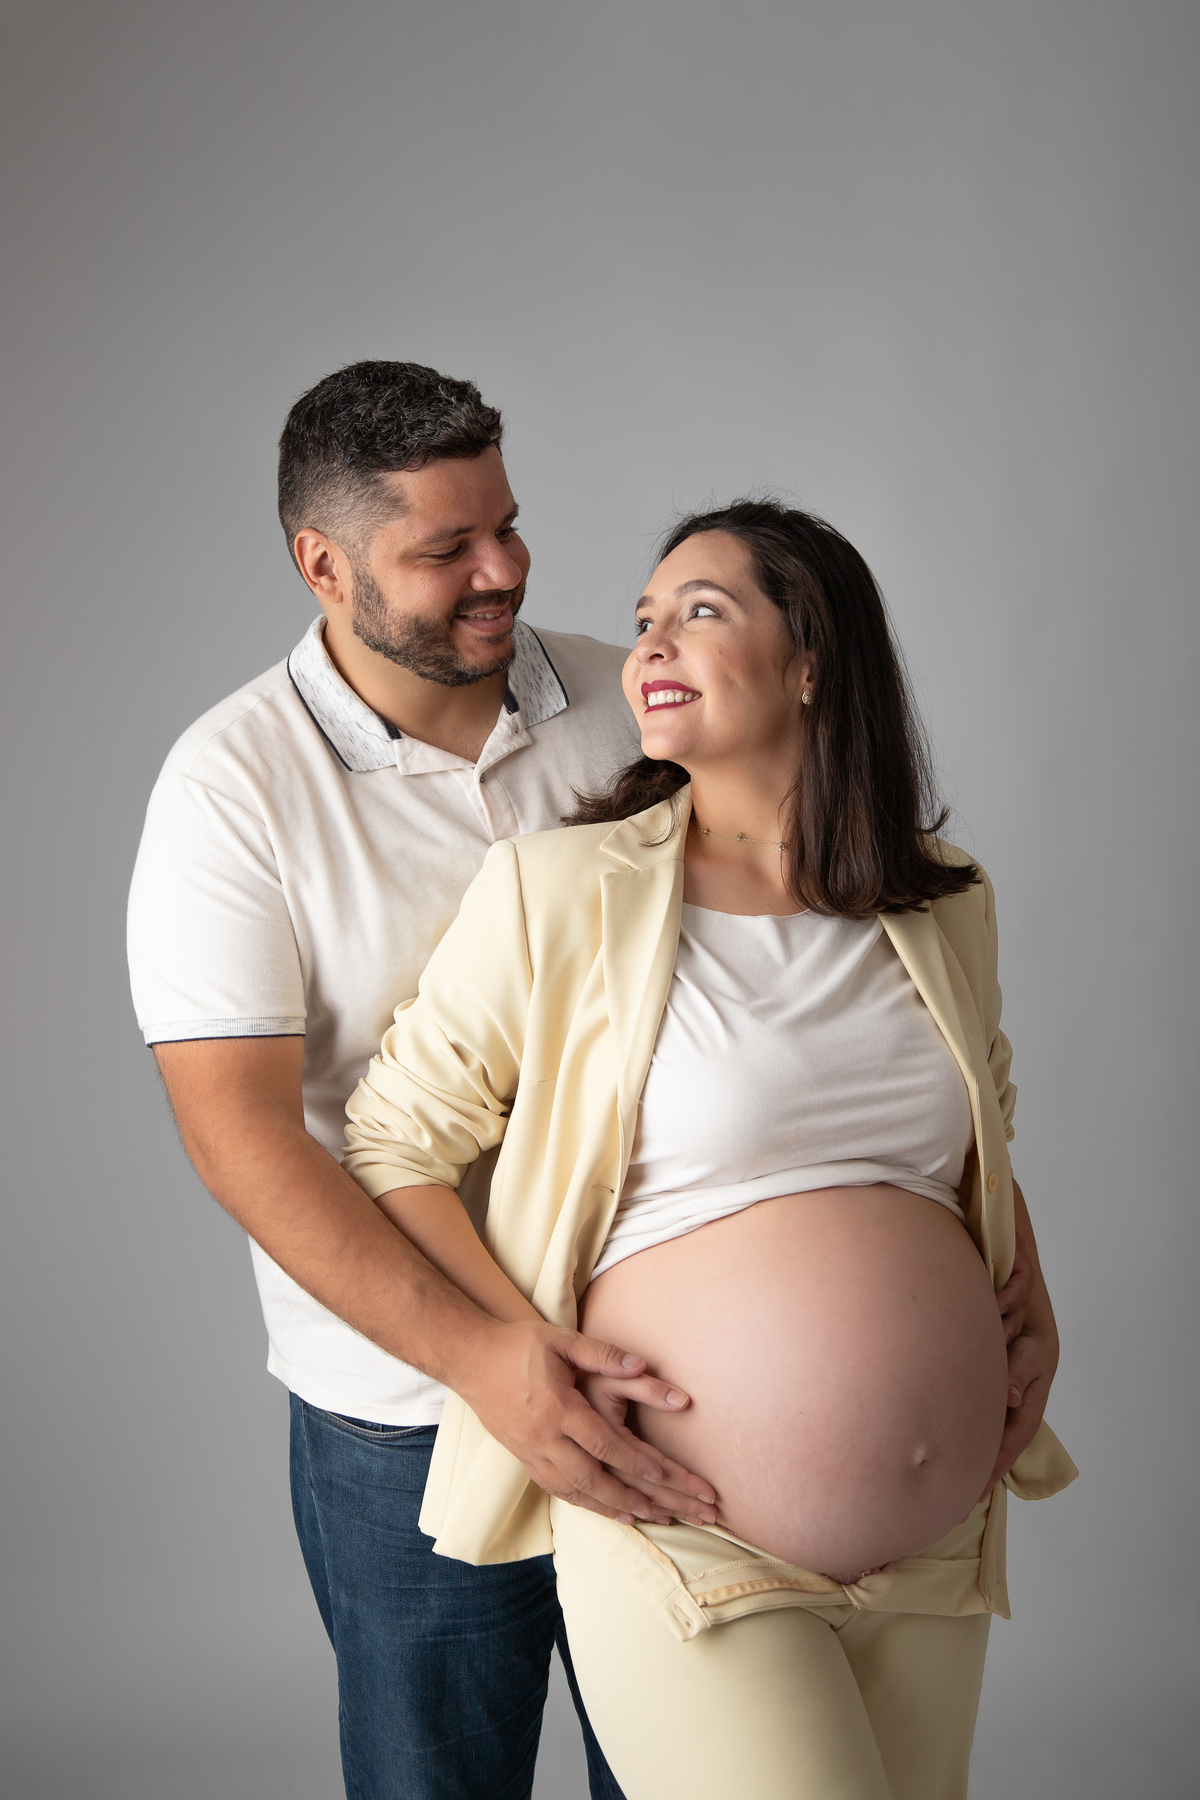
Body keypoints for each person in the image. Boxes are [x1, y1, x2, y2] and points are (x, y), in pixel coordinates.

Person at [340, 500, 1078, 1800]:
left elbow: (983, 1125)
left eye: (700, 610)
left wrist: (1033, 1296)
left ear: (813, 660)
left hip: (936, 1546)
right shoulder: (563, 889)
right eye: (644, 620)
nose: (649, 645)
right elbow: (395, 1138)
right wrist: (508, 1355)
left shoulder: (945, 897)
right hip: (687, 1533)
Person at [126, 361, 719, 1800]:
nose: (502, 570)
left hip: (669, 1367)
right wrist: (482, 1359)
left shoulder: (629, 702)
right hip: (409, 1410)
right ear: (322, 565)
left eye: (506, 525)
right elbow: (242, 1138)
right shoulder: (230, 788)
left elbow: (802, 974)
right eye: (447, 548)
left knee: (689, 1778)